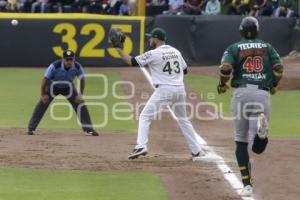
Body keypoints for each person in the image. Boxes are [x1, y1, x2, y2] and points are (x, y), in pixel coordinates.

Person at [109, 27, 206, 160]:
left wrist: (119, 49)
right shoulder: (176, 51)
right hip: (179, 89)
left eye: (151, 38)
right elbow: (184, 70)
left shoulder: (153, 53)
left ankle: (141, 146)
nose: (150, 40)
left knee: (144, 116)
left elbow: (131, 62)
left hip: (165, 90)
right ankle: (196, 151)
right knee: (183, 119)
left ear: (156, 39)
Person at [218, 17, 283, 197]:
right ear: (257, 30)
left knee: (240, 141)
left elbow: (225, 69)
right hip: (262, 93)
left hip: (241, 94)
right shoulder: (268, 47)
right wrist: (274, 84)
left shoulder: (234, 47)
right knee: (257, 147)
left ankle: (246, 184)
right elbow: (279, 69)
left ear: (241, 31)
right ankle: (261, 135)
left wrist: (222, 84)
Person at [27, 50, 99, 136]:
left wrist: (80, 95)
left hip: (68, 87)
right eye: (67, 59)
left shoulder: (77, 67)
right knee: (43, 103)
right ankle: (31, 129)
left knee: (80, 104)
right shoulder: (54, 66)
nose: (69, 61)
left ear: (74, 59)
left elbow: (82, 80)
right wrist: (43, 95)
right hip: (53, 85)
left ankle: (89, 130)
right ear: (63, 59)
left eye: (71, 59)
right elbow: (45, 80)